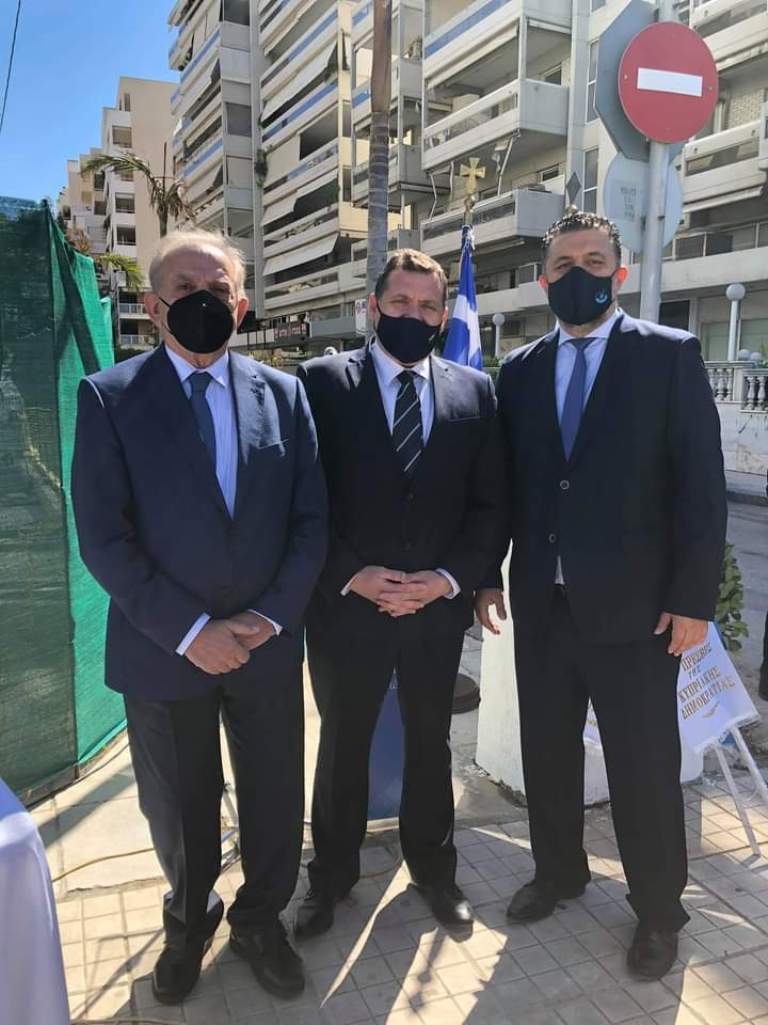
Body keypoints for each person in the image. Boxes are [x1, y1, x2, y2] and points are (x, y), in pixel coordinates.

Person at [71, 229, 327, 1005]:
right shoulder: (110, 398)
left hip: (265, 648)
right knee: (180, 809)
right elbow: (104, 537)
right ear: (154, 306)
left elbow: (311, 522)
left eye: (218, 290)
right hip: (163, 651)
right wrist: (191, 632)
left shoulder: (285, 394)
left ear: (241, 305)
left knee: (275, 798)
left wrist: (270, 618)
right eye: (184, 288)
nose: (202, 302)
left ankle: (260, 920)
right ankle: (188, 921)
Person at [476, 211, 727, 980]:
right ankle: (559, 872)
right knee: (548, 753)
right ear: (543, 278)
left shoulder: (668, 355)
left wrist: (693, 600)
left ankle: (658, 910)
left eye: (593, 259)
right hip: (544, 607)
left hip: (638, 613)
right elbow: (504, 487)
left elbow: (700, 487)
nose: (577, 272)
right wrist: (485, 572)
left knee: (643, 767)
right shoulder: (520, 370)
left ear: (619, 272)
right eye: (563, 263)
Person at [295, 249, 507, 938]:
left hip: (434, 612)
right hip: (346, 609)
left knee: (430, 742)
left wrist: (448, 580)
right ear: (373, 306)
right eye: (400, 302)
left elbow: (488, 504)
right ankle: (330, 877)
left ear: (443, 316)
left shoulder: (475, 392)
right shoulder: (321, 383)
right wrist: (352, 573)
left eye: (426, 305)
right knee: (343, 744)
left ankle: (435, 871)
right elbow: (303, 499)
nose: (413, 314)